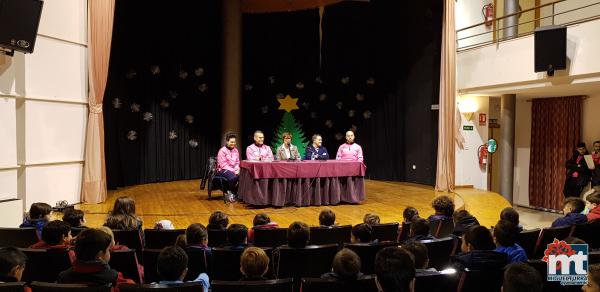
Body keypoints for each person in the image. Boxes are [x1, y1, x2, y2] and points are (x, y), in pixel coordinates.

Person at [57, 228, 135, 287]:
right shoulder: (114, 277)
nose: (109, 253)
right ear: (100, 255)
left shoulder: (62, 277)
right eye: (108, 250)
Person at [217, 132, 240, 197]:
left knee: (243, 176)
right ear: (227, 141)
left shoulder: (236, 150)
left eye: (234, 142)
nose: (233, 144)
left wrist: (237, 169)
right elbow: (223, 165)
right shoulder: (222, 151)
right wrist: (234, 171)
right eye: (231, 142)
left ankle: (238, 192)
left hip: (233, 170)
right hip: (223, 170)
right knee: (233, 177)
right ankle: (231, 192)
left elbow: (237, 162)